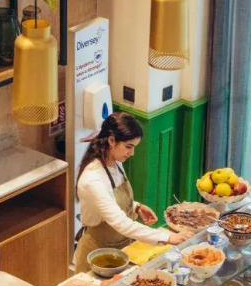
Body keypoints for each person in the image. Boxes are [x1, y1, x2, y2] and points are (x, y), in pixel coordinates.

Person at [74, 112, 192, 272]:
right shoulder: (93, 179)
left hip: (122, 247)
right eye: (129, 147)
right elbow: (120, 222)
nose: (132, 153)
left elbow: (112, 199)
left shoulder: (115, 162)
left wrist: (136, 206)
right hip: (97, 253)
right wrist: (167, 237)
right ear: (111, 140)